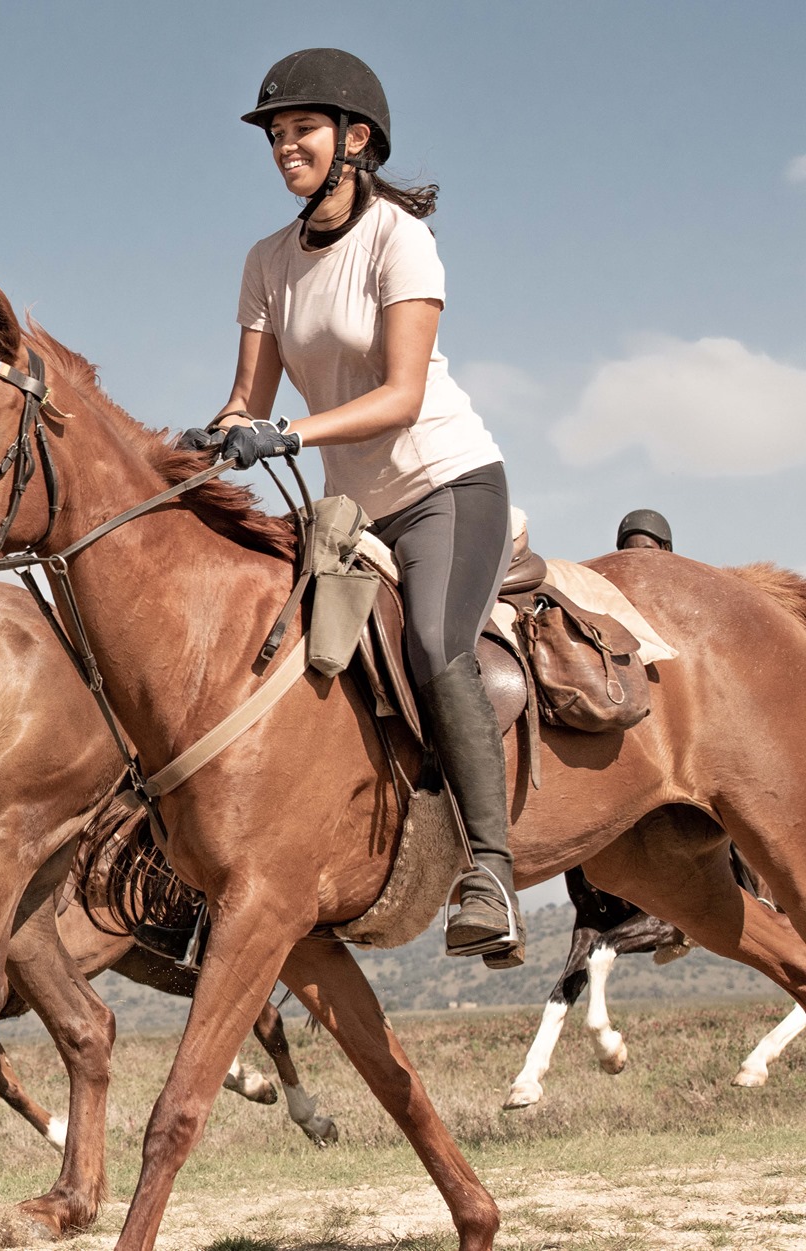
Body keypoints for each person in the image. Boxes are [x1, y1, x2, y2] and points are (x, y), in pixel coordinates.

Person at [179, 50, 523, 967]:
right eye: (276, 136)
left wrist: (287, 434)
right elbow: (244, 397)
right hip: (352, 512)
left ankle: (489, 868)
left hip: (446, 484)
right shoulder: (266, 260)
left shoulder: (399, 238)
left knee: (436, 649)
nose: (284, 147)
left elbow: (403, 394)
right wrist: (212, 436)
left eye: (301, 131)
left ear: (355, 141)